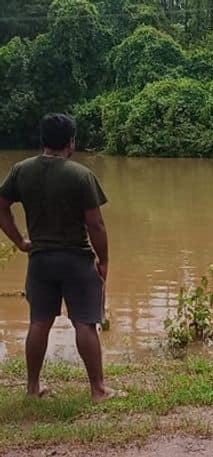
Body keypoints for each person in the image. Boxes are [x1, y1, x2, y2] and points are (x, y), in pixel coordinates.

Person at [0, 113, 124, 403]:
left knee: (39, 323)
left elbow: (1, 205)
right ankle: (98, 389)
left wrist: (20, 241)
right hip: (76, 259)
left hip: (40, 259)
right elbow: (96, 224)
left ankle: (33, 388)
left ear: (43, 140)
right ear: (71, 141)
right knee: (85, 323)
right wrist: (103, 260)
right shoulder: (80, 175)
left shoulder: (21, 170)